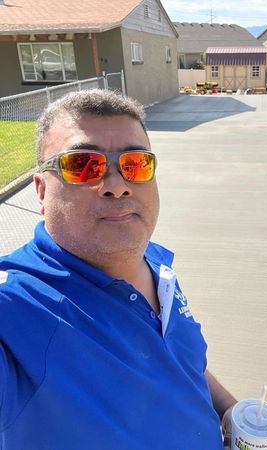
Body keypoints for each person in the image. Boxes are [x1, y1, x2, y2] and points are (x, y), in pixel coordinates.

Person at [0, 89, 237, 449]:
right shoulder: (17, 307)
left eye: (135, 164)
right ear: (40, 191)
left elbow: (183, 363)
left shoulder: (156, 265)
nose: (116, 185)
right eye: (82, 165)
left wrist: (230, 411)